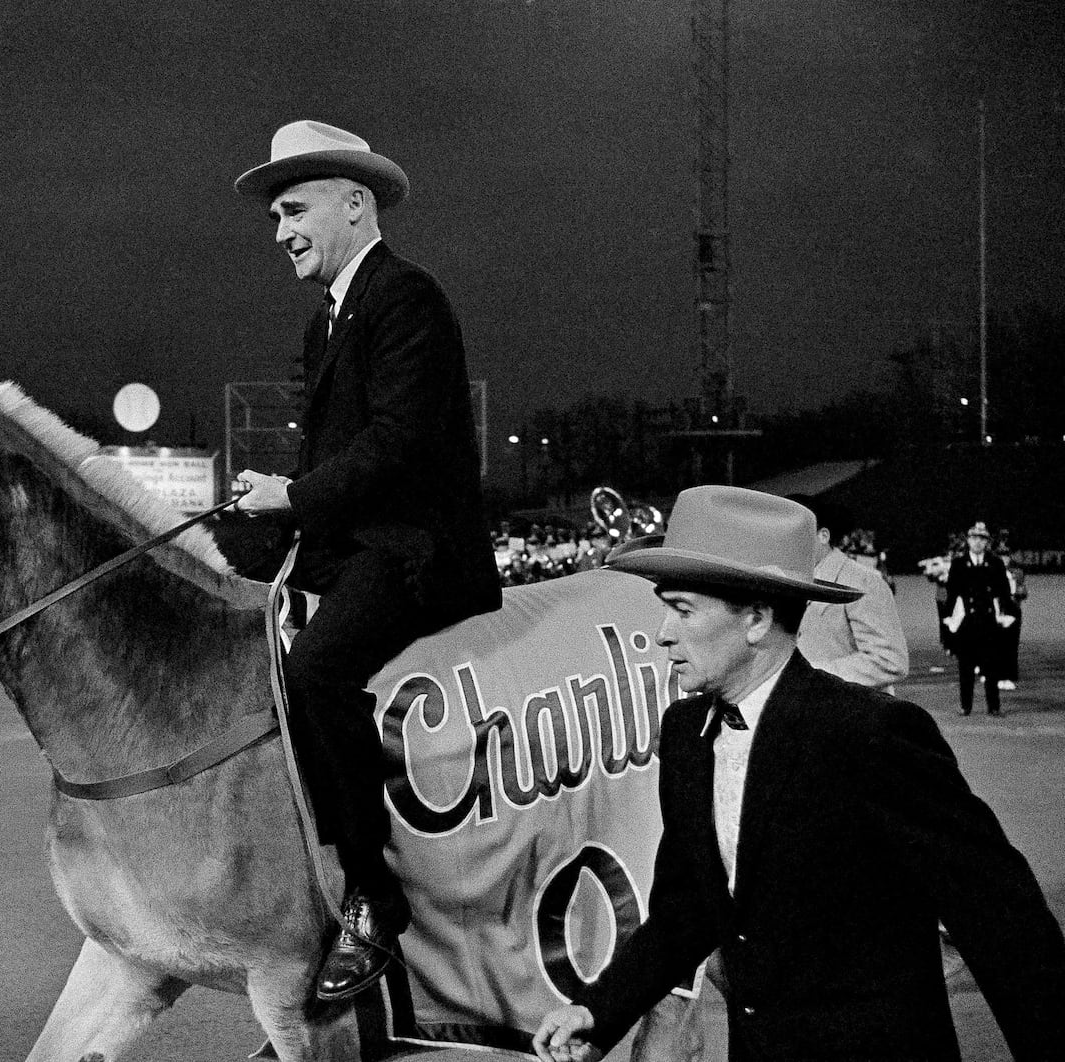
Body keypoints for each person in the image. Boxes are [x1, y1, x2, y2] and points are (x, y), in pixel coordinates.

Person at [532, 486, 1065, 1062]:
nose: (663, 632)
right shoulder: (687, 734)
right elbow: (685, 912)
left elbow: (1001, 918)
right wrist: (597, 1009)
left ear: (758, 620)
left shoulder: (871, 734)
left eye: (682, 609)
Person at [231, 120, 502, 1001]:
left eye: (293, 210)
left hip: (416, 550)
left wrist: (293, 498)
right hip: (354, 544)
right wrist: (261, 516)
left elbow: (396, 447)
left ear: (356, 203)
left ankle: (375, 903)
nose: (280, 234)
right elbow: (331, 462)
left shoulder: (407, 298)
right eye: (276, 217)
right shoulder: (329, 318)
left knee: (315, 673)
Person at [786, 494, 908, 691]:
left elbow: (889, 660)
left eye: (795, 533)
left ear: (823, 536)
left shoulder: (863, 581)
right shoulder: (785, 580)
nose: (787, 542)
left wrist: (812, 677)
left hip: (852, 713)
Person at [945, 521, 1017, 716]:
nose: (978, 542)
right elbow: (951, 594)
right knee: (965, 668)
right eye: (974, 538)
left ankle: (993, 707)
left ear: (987, 542)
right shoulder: (959, 564)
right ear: (968, 540)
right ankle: (965, 705)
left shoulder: (995, 563)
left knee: (991, 666)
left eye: (982, 538)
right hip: (966, 621)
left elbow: (1003, 592)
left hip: (988, 621)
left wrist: (1008, 616)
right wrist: (948, 625)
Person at [995, 538, 1027, 691]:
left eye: (1006, 554)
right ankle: (999, 676)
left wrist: (1016, 593)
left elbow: (1024, 592)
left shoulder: (1018, 572)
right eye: (1001, 554)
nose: (1004, 557)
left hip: (1013, 610)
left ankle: (1010, 676)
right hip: (997, 611)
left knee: (1011, 645)